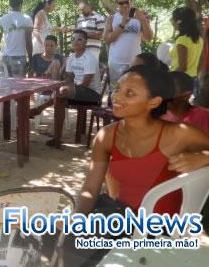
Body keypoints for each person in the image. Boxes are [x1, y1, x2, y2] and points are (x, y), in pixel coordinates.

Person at [67, 65, 209, 266]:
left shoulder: (179, 134)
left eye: (129, 93)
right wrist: (77, 221)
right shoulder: (106, 136)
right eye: (117, 89)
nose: (117, 97)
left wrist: (203, 158)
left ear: (154, 101)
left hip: (163, 231)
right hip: (120, 219)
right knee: (65, 243)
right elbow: (90, 189)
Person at [103, 0, 153, 89]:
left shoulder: (141, 16)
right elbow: (107, 39)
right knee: (116, 92)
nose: (125, 5)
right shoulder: (112, 18)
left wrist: (143, 20)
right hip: (116, 63)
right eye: (121, 3)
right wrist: (122, 24)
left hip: (135, 63)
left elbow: (148, 38)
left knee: (134, 92)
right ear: (116, 2)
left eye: (127, 2)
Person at [0, 0, 33, 77]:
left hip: (5, 58)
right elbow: (28, 41)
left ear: (10, 4)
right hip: (19, 57)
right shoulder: (27, 19)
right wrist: (31, 58)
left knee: (5, 87)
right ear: (21, 4)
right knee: (19, 87)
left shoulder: (2, 19)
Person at [58, 30, 101, 104]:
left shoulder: (89, 58)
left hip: (92, 93)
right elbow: (69, 78)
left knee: (62, 91)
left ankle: (39, 109)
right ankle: (40, 109)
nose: (75, 42)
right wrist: (63, 83)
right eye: (73, 39)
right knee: (58, 90)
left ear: (86, 42)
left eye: (79, 39)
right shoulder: (71, 58)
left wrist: (69, 86)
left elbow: (85, 84)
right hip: (77, 89)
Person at [169, 7, 204, 97]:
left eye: (173, 19)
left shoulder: (182, 40)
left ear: (179, 21)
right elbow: (202, 60)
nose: (171, 22)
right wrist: (194, 74)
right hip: (193, 80)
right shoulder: (199, 39)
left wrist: (169, 77)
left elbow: (182, 67)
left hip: (181, 83)